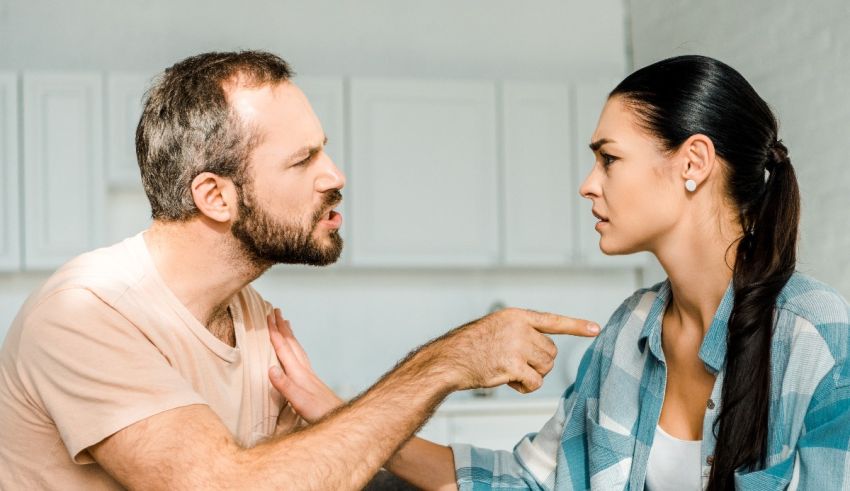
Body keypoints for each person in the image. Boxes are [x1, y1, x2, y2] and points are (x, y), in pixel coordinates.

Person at [0, 51, 601, 490]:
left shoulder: (250, 316)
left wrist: (329, 411)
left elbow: (308, 474)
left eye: (325, 149)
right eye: (302, 159)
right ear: (215, 197)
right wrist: (446, 363)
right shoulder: (85, 313)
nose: (334, 175)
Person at [273, 55, 850, 490]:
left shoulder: (817, 341)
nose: (587, 183)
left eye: (609, 158)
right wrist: (344, 420)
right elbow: (529, 482)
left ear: (692, 163)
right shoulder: (629, 333)